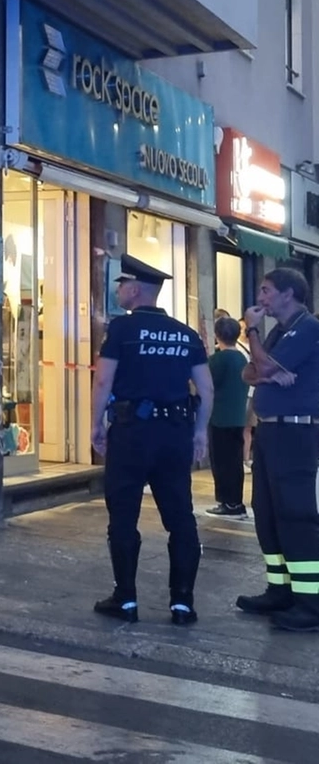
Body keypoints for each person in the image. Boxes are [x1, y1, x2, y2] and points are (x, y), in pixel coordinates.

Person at [90, 255, 212, 625]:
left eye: (121, 285)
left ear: (134, 288)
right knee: (180, 517)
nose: (119, 292)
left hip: (132, 432)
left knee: (123, 515)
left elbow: (102, 381)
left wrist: (95, 424)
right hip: (174, 432)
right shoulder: (186, 334)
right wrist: (200, 431)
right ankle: (182, 603)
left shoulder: (121, 332)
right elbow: (206, 389)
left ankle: (125, 599)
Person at [234, 267, 319, 631]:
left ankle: (311, 603)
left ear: (288, 294)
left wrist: (251, 332)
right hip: (270, 432)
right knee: (266, 512)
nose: (261, 297)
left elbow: (262, 364)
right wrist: (267, 371)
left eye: (267, 291)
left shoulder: (308, 327)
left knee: (295, 515)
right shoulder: (281, 330)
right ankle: (280, 588)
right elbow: (249, 372)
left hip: (295, 433)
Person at [205, 316, 251, 517]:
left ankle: (228, 502)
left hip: (219, 417)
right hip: (238, 415)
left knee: (222, 463)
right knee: (233, 461)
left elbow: (205, 383)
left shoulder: (217, 359)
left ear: (217, 334)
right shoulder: (241, 357)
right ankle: (235, 501)